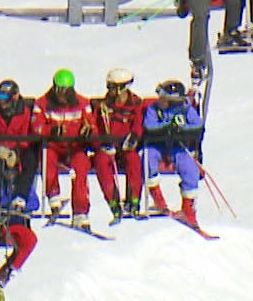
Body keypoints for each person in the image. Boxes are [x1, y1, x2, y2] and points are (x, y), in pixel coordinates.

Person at [35, 69, 97, 228]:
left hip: (76, 147)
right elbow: (36, 127)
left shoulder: (82, 103)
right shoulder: (43, 103)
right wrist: (51, 131)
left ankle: (80, 212)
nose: (62, 94)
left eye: (66, 90)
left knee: (81, 169)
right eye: (59, 90)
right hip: (54, 145)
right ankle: (53, 196)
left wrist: (88, 131)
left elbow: (92, 124)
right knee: (47, 159)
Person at [140, 80, 204, 225]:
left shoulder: (185, 109)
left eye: (166, 99)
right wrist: (167, 127)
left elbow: (198, 125)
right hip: (157, 145)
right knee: (148, 158)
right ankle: (158, 200)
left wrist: (182, 129)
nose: (161, 101)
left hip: (177, 146)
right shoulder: (154, 109)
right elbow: (149, 126)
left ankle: (188, 209)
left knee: (189, 167)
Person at [0, 78, 41, 212]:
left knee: (30, 160)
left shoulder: (24, 112)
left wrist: (15, 152)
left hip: (18, 150)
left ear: (14, 97)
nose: (1, 100)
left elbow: (29, 135)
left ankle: (20, 197)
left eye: (5, 96)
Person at [89, 67, 146, 220]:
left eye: (113, 87)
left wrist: (134, 137)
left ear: (123, 88)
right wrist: (101, 142)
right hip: (108, 147)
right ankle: (113, 202)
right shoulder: (103, 106)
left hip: (126, 146)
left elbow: (138, 125)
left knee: (133, 160)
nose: (110, 91)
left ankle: (134, 201)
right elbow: (93, 126)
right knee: (101, 161)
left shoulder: (135, 104)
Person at [0, 196, 38, 287]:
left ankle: (10, 267)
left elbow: (34, 203)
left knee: (30, 240)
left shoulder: (23, 185)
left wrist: (22, 205)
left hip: (16, 224)